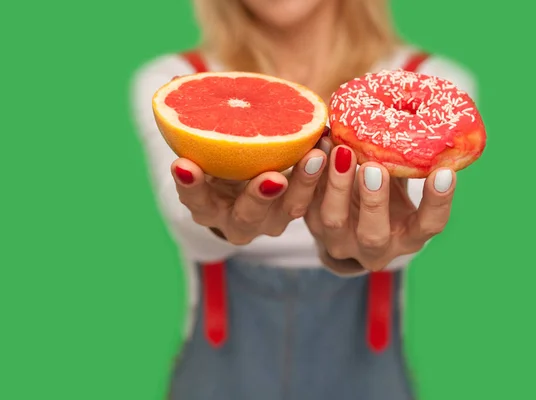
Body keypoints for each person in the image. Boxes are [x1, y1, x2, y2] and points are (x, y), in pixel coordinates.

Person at [131, 0, 478, 399]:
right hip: (220, 365)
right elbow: (184, 219)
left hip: (367, 367)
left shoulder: (434, 79)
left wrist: (360, 252)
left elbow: (401, 239)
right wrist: (217, 221)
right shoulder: (176, 80)